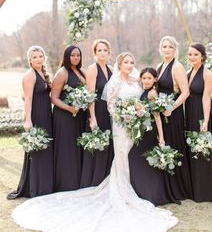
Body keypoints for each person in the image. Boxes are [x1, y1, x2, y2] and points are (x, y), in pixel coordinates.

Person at [12, 52, 177, 232]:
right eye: (126, 62)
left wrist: (138, 113)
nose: (130, 65)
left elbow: (145, 97)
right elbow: (110, 105)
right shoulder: (115, 82)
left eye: (132, 62)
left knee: (132, 156)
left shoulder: (136, 80)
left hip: (137, 125)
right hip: (122, 124)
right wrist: (126, 115)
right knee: (122, 154)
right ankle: (123, 190)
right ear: (120, 64)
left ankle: (137, 187)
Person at [7, 45, 53, 199]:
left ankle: (46, 184)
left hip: (47, 114)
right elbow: (28, 99)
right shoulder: (29, 75)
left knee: (46, 149)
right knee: (37, 150)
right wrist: (28, 120)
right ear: (30, 60)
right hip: (36, 115)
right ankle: (35, 186)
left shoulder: (43, 73)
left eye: (40, 56)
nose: (38, 59)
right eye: (35, 57)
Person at [129, 67, 180, 205]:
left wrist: (161, 136)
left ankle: (150, 193)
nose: (146, 81)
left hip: (151, 131)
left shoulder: (152, 93)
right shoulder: (144, 91)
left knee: (134, 157)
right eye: (144, 78)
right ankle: (146, 192)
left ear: (155, 79)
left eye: (149, 78)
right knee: (144, 160)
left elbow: (157, 116)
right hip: (144, 129)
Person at [185, 42, 212, 205]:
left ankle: (206, 191)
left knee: (203, 151)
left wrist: (206, 121)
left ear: (202, 56)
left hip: (203, 113)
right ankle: (195, 190)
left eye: (195, 54)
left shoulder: (207, 73)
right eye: (189, 54)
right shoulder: (189, 72)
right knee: (193, 150)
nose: (192, 57)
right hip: (190, 112)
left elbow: (206, 98)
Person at [156, 35, 193, 201]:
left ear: (175, 49)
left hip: (173, 112)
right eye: (164, 46)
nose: (167, 50)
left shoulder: (177, 67)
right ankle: (164, 184)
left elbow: (185, 92)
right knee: (162, 144)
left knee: (173, 145)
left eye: (170, 47)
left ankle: (177, 187)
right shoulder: (159, 65)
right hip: (160, 111)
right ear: (160, 48)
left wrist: (171, 107)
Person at [52, 45, 86, 192]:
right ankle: (66, 182)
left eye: (78, 55)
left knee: (77, 147)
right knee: (67, 148)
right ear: (67, 56)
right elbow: (54, 98)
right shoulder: (62, 73)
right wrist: (69, 108)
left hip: (79, 116)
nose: (76, 58)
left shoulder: (81, 71)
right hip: (65, 116)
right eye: (72, 55)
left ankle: (78, 180)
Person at [80, 39, 114, 188]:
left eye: (105, 50)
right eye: (99, 50)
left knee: (108, 144)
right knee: (98, 145)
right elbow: (90, 96)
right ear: (95, 52)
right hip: (97, 111)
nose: (102, 53)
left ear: (109, 52)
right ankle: (94, 180)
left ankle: (107, 178)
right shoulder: (92, 69)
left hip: (109, 112)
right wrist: (92, 118)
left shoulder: (111, 68)